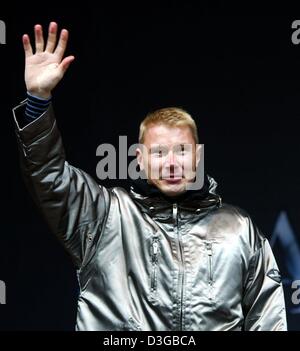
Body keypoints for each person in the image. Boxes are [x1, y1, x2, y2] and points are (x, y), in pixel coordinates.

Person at [12, 22, 287, 331]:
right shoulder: (105, 216)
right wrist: (38, 101)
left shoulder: (238, 229)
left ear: (197, 155)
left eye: (181, 150)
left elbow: (268, 319)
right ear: (139, 160)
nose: (171, 163)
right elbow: (49, 177)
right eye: (158, 153)